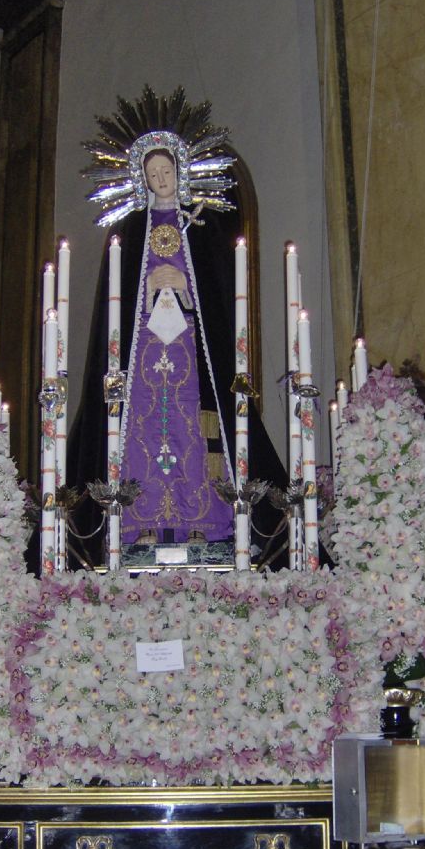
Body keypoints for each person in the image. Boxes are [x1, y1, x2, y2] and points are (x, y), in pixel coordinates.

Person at [68, 87, 287, 560]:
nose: (161, 179)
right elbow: (118, 303)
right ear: (141, 180)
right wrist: (148, 288)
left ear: (181, 174)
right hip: (143, 354)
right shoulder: (128, 233)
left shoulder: (200, 230)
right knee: (145, 432)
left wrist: (184, 288)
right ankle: (139, 525)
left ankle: (200, 522)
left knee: (191, 431)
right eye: (153, 174)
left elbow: (214, 301)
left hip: (189, 353)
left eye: (167, 172)